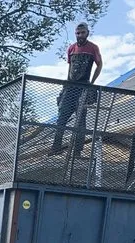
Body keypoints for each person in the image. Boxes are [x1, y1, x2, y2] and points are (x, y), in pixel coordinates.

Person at [50, 23, 102, 155]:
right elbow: (70, 68)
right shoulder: (71, 48)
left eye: (83, 33)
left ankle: (77, 150)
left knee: (80, 120)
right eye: (78, 33)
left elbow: (99, 64)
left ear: (87, 33)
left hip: (83, 86)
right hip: (70, 86)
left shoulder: (93, 48)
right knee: (62, 117)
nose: (80, 35)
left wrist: (92, 82)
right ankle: (56, 147)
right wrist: (65, 86)